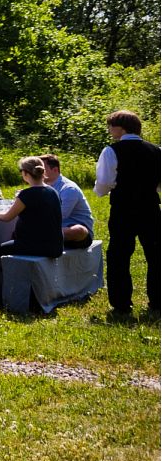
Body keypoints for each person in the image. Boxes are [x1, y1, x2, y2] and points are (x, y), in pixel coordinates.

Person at [95, 110, 160, 317]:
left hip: (124, 207)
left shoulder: (111, 151)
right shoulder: (156, 150)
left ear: (120, 127)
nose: (109, 130)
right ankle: (158, 300)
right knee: (155, 254)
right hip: (150, 207)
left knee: (119, 255)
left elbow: (104, 182)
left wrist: (101, 192)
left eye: (111, 126)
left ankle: (121, 303)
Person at [0, 156, 64, 266]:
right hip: (56, 246)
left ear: (25, 173)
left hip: (35, 245)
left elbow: (7, 217)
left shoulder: (27, 194)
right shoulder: (53, 191)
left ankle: (1, 282)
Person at [40, 154, 94, 249]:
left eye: (42, 169)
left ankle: (38, 237)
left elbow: (60, 216)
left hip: (78, 235)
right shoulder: (42, 187)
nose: (38, 172)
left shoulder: (69, 188)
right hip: (55, 230)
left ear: (55, 170)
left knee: (78, 230)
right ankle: (40, 237)